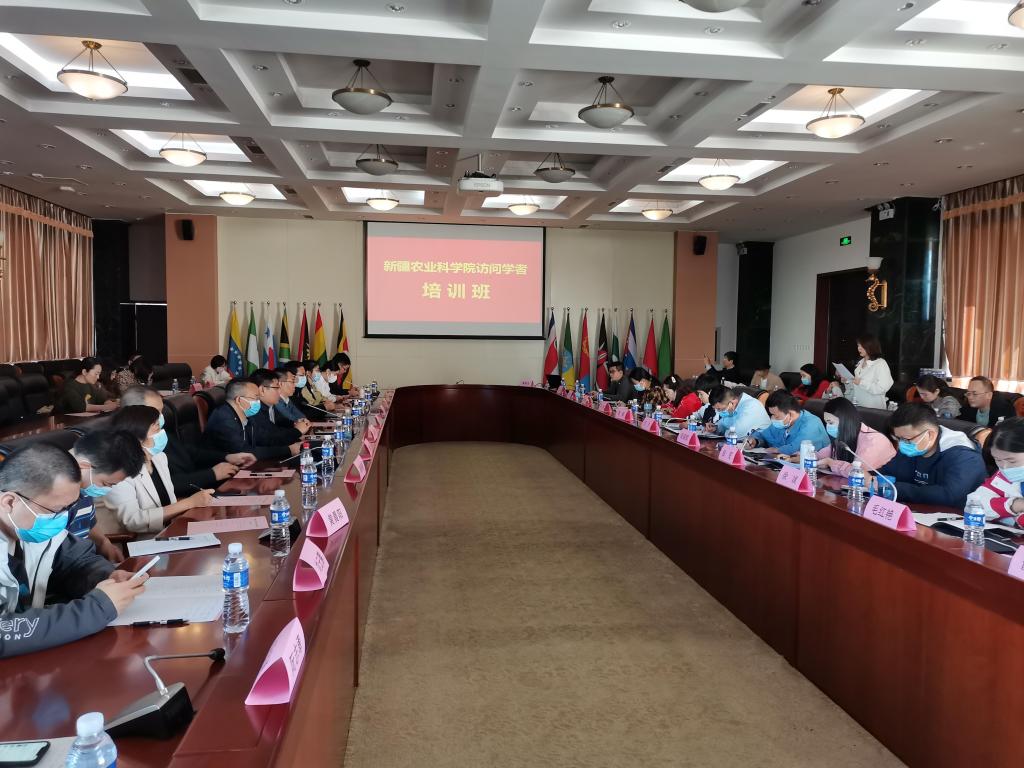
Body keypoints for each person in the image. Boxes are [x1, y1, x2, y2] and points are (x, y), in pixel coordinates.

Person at [0, 444, 148, 657]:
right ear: (10, 502)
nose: (64, 518)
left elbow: (78, 561)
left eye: (68, 508)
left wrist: (106, 577)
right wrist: (97, 608)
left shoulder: (29, 528)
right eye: (56, 510)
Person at [120, 386, 255, 498]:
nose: (161, 417)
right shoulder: (126, 448)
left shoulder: (159, 432)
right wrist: (211, 474)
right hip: (181, 500)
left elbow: (189, 452)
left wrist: (226, 456)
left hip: (197, 491)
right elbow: (162, 486)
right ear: (134, 413)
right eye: (156, 412)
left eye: (161, 411)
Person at [99, 405, 214, 535]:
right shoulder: (117, 472)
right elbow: (132, 521)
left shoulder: (159, 457)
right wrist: (189, 503)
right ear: (136, 439)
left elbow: (169, 502)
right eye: (157, 429)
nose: (162, 434)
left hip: (171, 531)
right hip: (140, 540)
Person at [879, 403, 988, 509]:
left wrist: (894, 488)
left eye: (906, 439)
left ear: (930, 435)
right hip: (919, 510)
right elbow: (887, 473)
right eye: (898, 438)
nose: (902, 444)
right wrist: (873, 479)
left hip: (960, 516)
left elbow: (948, 495)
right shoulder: (914, 447)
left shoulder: (965, 456)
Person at [66, 431, 147, 562]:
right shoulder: (55, 501)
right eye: (105, 483)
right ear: (84, 467)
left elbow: (89, 523)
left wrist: (103, 542)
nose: (107, 489)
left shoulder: (84, 489)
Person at [204, 379, 302, 460]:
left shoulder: (246, 415)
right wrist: (287, 450)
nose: (258, 402)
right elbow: (244, 452)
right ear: (239, 400)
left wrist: (294, 439)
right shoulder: (224, 418)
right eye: (256, 398)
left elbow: (265, 438)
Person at [816, 397, 896, 478]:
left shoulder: (874, 440)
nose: (828, 427)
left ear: (845, 420)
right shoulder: (844, 436)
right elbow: (822, 455)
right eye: (826, 423)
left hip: (884, 484)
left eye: (830, 423)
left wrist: (831, 463)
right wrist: (815, 459)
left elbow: (858, 472)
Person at [966, 417, 1024, 526]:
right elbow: (974, 505)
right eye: (998, 460)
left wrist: (1017, 519)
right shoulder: (1002, 476)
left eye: (1012, 461)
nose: (1005, 467)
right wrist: (1014, 505)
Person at [746, 390, 829, 455]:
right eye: (771, 415)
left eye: (776, 416)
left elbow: (796, 448)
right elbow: (764, 435)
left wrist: (778, 450)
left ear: (790, 414)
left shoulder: (811, 424)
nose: (773, 419)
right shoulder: (782, 423)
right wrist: (755, 441)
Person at [250, 369, 309, 446]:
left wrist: (295, 423)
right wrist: (297, 431)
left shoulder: (271, 407)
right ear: (262, 390)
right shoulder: (255, 411)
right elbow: (270, 438)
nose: (280, 392)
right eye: (276, 388)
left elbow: (279, 426)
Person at [839, 334, 893, 409]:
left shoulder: (880, 363)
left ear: (871, 346)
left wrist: (861, 382)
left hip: (873, 409)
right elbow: (856, 388)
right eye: (858, 346)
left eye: (862, 346)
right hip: (858, 407)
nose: (859, 348)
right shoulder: (859, 363)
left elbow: (882, 388)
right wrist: (847, 382)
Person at [706, 386, 771, 438]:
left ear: (731, 403)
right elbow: (725, 423)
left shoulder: (751, 405)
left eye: (720, 409)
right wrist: (715, 427)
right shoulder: (733, 408)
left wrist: (725, 432)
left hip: (766, 445)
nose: (718, 412)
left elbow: (736, 433)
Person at [276, 363, 313, 428]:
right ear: (281, 384)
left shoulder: (287, 399)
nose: (295, 385)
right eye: (292, 382)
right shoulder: (276, 401)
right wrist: (301, 422)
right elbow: (292, 420)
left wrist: (304, 421)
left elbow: (300, 416)